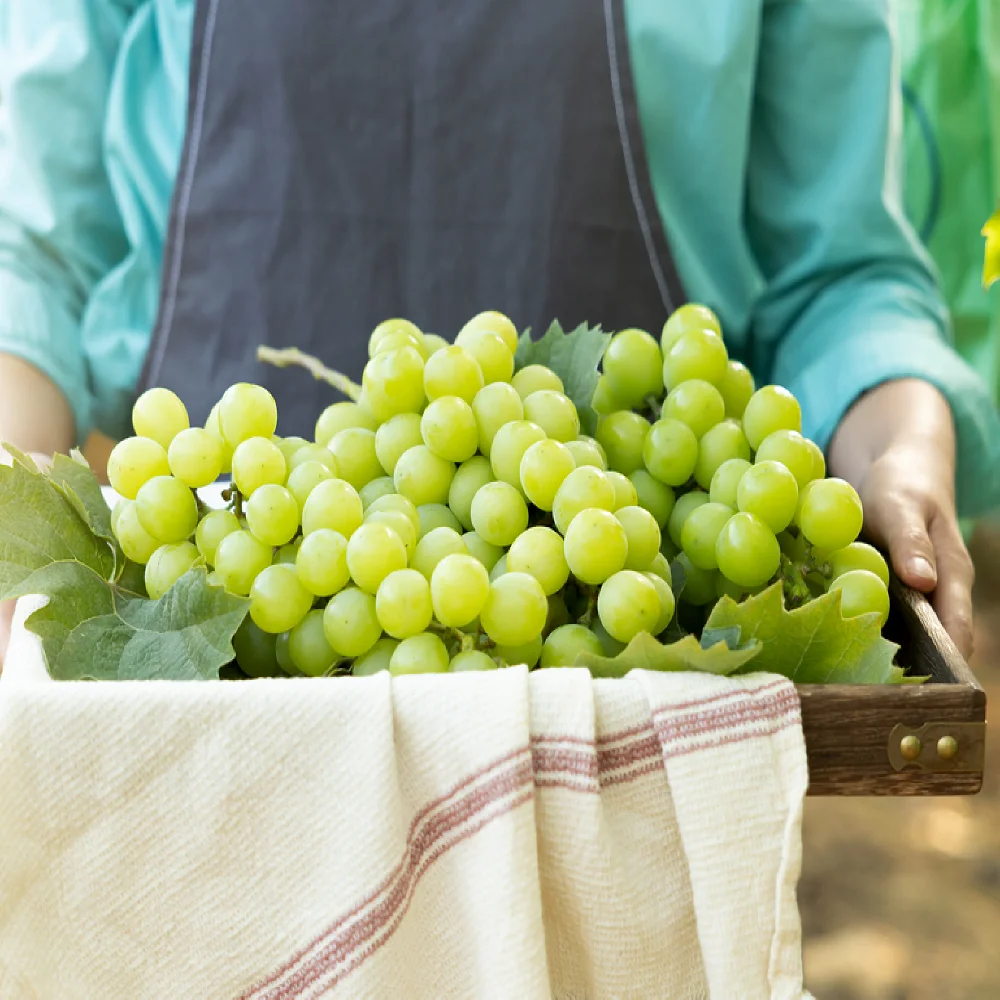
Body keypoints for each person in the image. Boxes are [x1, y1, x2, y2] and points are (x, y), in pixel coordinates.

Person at [0, 0, 996, 665]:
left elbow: (839, 275)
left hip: (616, 681)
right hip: (222, 671)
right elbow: (30, 264)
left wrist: (901, 451)